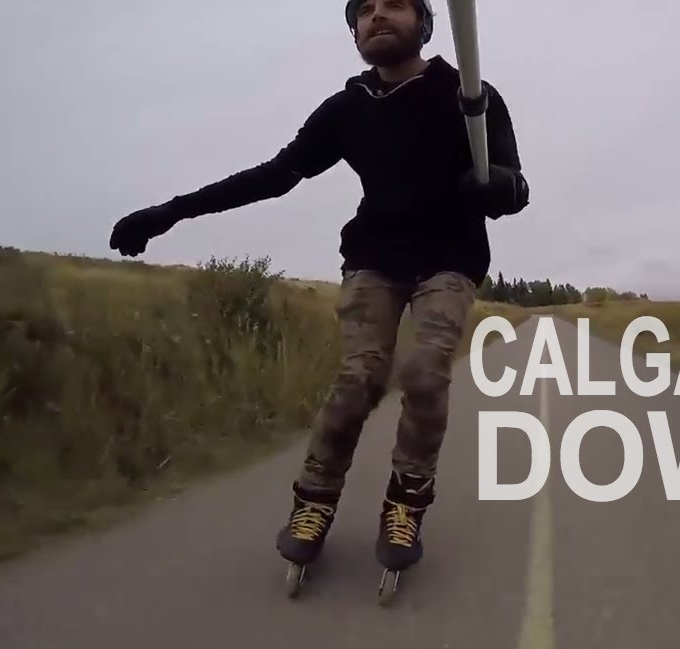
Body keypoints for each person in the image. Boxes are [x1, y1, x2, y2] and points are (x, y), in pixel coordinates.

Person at [107, 0, 529, 575]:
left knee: (426, 374)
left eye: (395, 6)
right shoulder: (347, 108)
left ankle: (406, 503)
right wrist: (172, 212)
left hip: (449, 259)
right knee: (359, 379)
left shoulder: (471, 94)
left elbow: (514, 183)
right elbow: (276, 175)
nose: (378, 16)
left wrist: (499, 188)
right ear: (354, 30)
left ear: (424, 23)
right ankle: (314, 502)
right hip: (375, 256)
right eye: (365, 11)